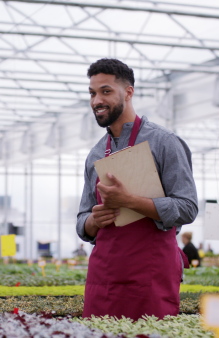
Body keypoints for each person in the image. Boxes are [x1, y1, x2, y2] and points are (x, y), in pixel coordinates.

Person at [76, 58, 198, 320]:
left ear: (128, 92)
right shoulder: (95, 153)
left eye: (106, 91)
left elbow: (187, 208)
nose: (97, 100)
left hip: (150, 273)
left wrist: (130, 200)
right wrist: (93, 221)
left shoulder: (164, 142)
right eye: (92, 93)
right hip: (105, 274)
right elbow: (82, 220)